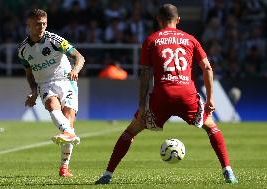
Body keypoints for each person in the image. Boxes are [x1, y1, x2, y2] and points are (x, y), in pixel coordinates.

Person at [95, 4, 238, 184]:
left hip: (162, 95)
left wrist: (142, 105)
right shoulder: (190, 39)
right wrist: (210, 98)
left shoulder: (151, 40)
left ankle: (107, 174)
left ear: (158, 20)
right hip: (187, 93)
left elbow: (146, 74)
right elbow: (207, 68)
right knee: (211, 127)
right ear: (178, 20)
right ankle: (228, 172)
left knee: (130, 132)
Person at [17, 9, 85, 177]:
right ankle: (68, 133)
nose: (42, 27)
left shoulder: (55, 40)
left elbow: (79, 57)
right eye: (38, 24)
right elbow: (29, 74)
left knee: (68, 120)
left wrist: (75, 70)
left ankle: (64, 167)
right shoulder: (23, 50)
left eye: (44, 24)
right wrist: (33, 92)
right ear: (29, 24)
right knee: (50, 105)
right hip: (45, 83)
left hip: (66, 80)